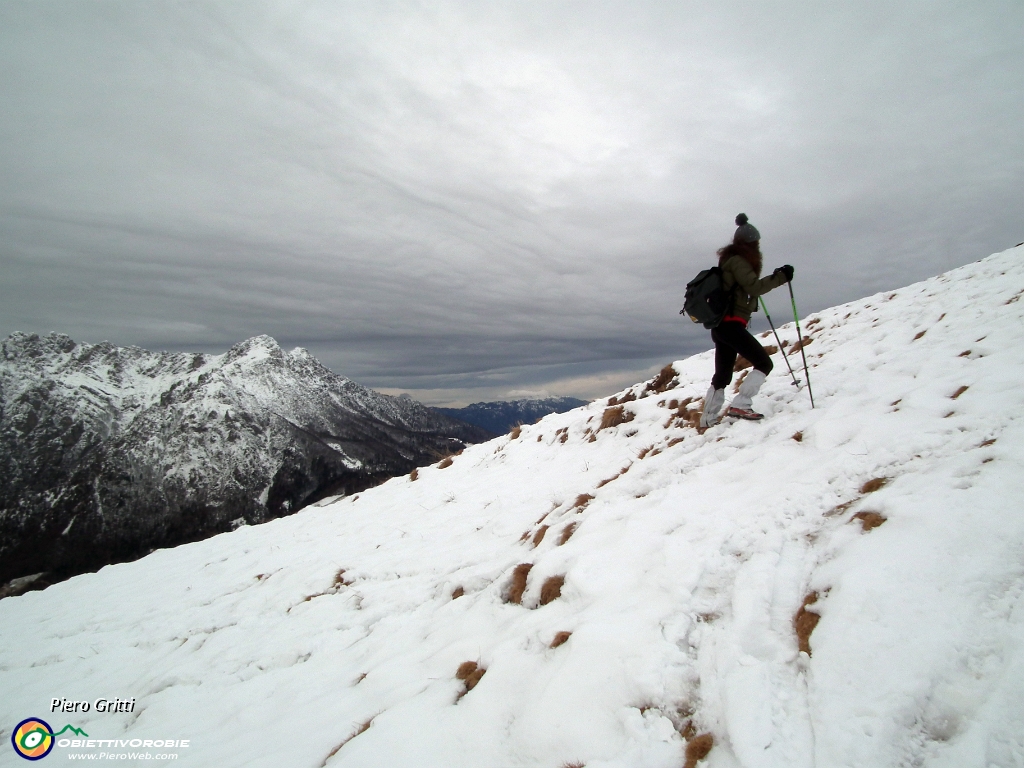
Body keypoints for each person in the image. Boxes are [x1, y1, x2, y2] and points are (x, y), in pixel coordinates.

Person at [699, 213, 794, 427]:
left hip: (721, 326)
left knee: (722, 376)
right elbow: (754, 287)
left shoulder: (729, 261)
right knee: (763, 362)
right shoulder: (739, 261)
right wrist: (781, 277)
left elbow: (746, 287)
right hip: (731, 324)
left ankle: (708, 419)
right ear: (751, 243)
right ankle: (741, 404)